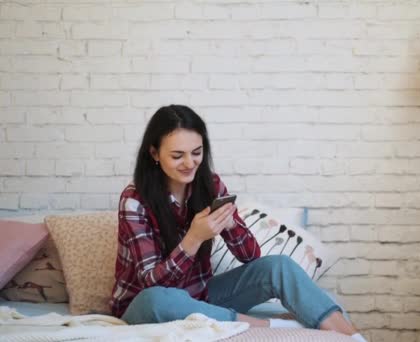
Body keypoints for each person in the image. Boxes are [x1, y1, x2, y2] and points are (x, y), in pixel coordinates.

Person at [109, 105, 367, 342]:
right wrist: (194, 238)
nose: (189, 163)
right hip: (145, 304)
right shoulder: (135, 200)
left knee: (278, 266)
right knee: (160, 299)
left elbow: (250, 257)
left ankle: (352, 337)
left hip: (201, 294)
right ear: (154, 153)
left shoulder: (209, 184)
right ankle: (266, 327)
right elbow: (152, 283)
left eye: (196, 153)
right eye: (178, 155)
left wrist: (231, 226)